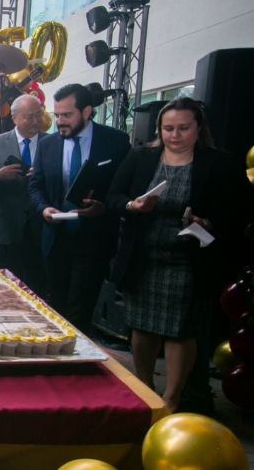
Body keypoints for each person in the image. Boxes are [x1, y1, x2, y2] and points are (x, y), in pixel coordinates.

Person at [106, 97, 251, 412]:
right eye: (168, 128)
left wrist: (208, 221)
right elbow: (113, 197)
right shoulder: (142, 157)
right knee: (142, 327)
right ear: (159, 128)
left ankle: (172, 397)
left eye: (183, 128)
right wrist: (133, 206)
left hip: (189, 259)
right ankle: (144, 387)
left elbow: (238, 209)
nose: (175, 134)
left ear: (199, 128)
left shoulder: (219, 162)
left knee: (179, 329)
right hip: (143, 258)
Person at [28, 83, 130, 333]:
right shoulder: (47, 144)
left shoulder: (115, 142)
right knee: (55, 307)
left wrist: (103, 207)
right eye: (57, 115)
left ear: (86, 112)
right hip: (55, 239)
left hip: (93, 240)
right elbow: (35, 185)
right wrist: (43, 209)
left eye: (67, 115)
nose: (60, 121)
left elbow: (125, 189)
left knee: (81, 309)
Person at [0, 94, 47, 293]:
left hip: (40, 227)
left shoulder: (51, 142)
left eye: (38, 115)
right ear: (14, 118)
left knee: (38, 288)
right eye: (29, 117)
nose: (35, 121)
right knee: (1, 289)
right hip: (5, 229)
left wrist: (43, 175)